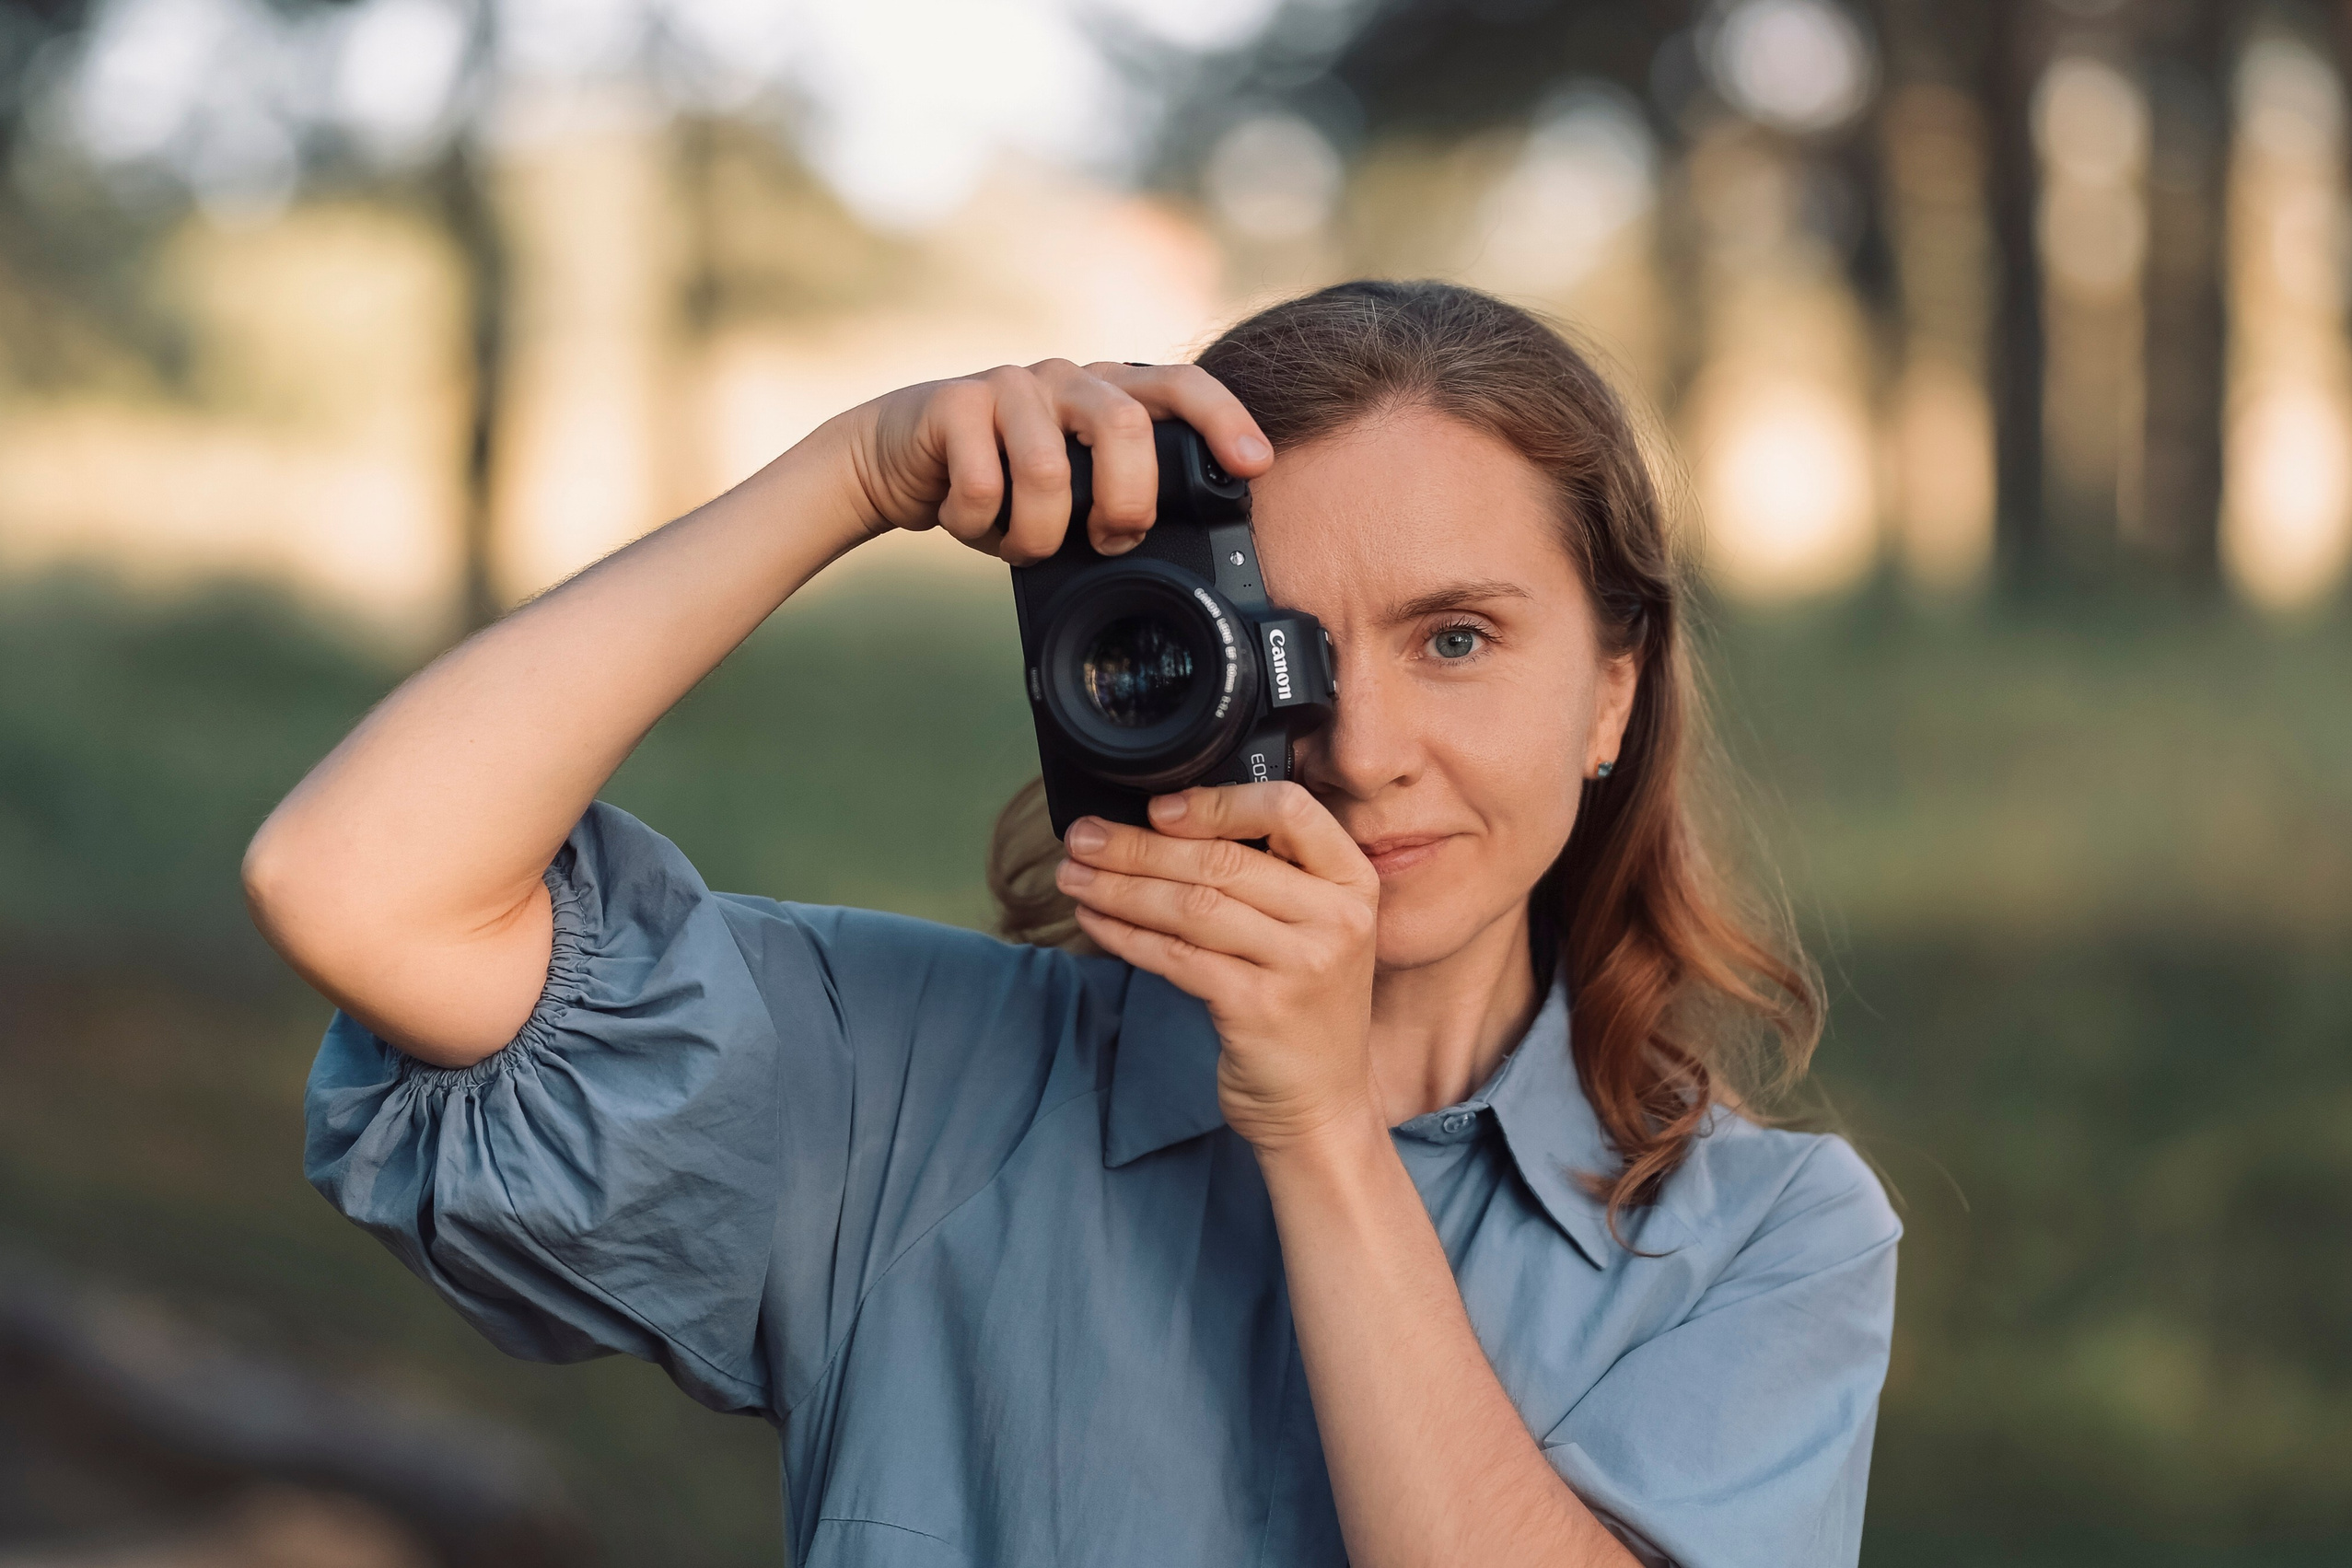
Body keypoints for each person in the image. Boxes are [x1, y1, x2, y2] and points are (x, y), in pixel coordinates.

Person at [248, 280, 1898, 1568]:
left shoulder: (1764, 1245)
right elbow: (354, 885)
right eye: (1278, 649)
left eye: (1455, 639)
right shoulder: (908, 1087)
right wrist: (853, 473)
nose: (1363, 748)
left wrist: (1321, 1129)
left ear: (1610, 691)